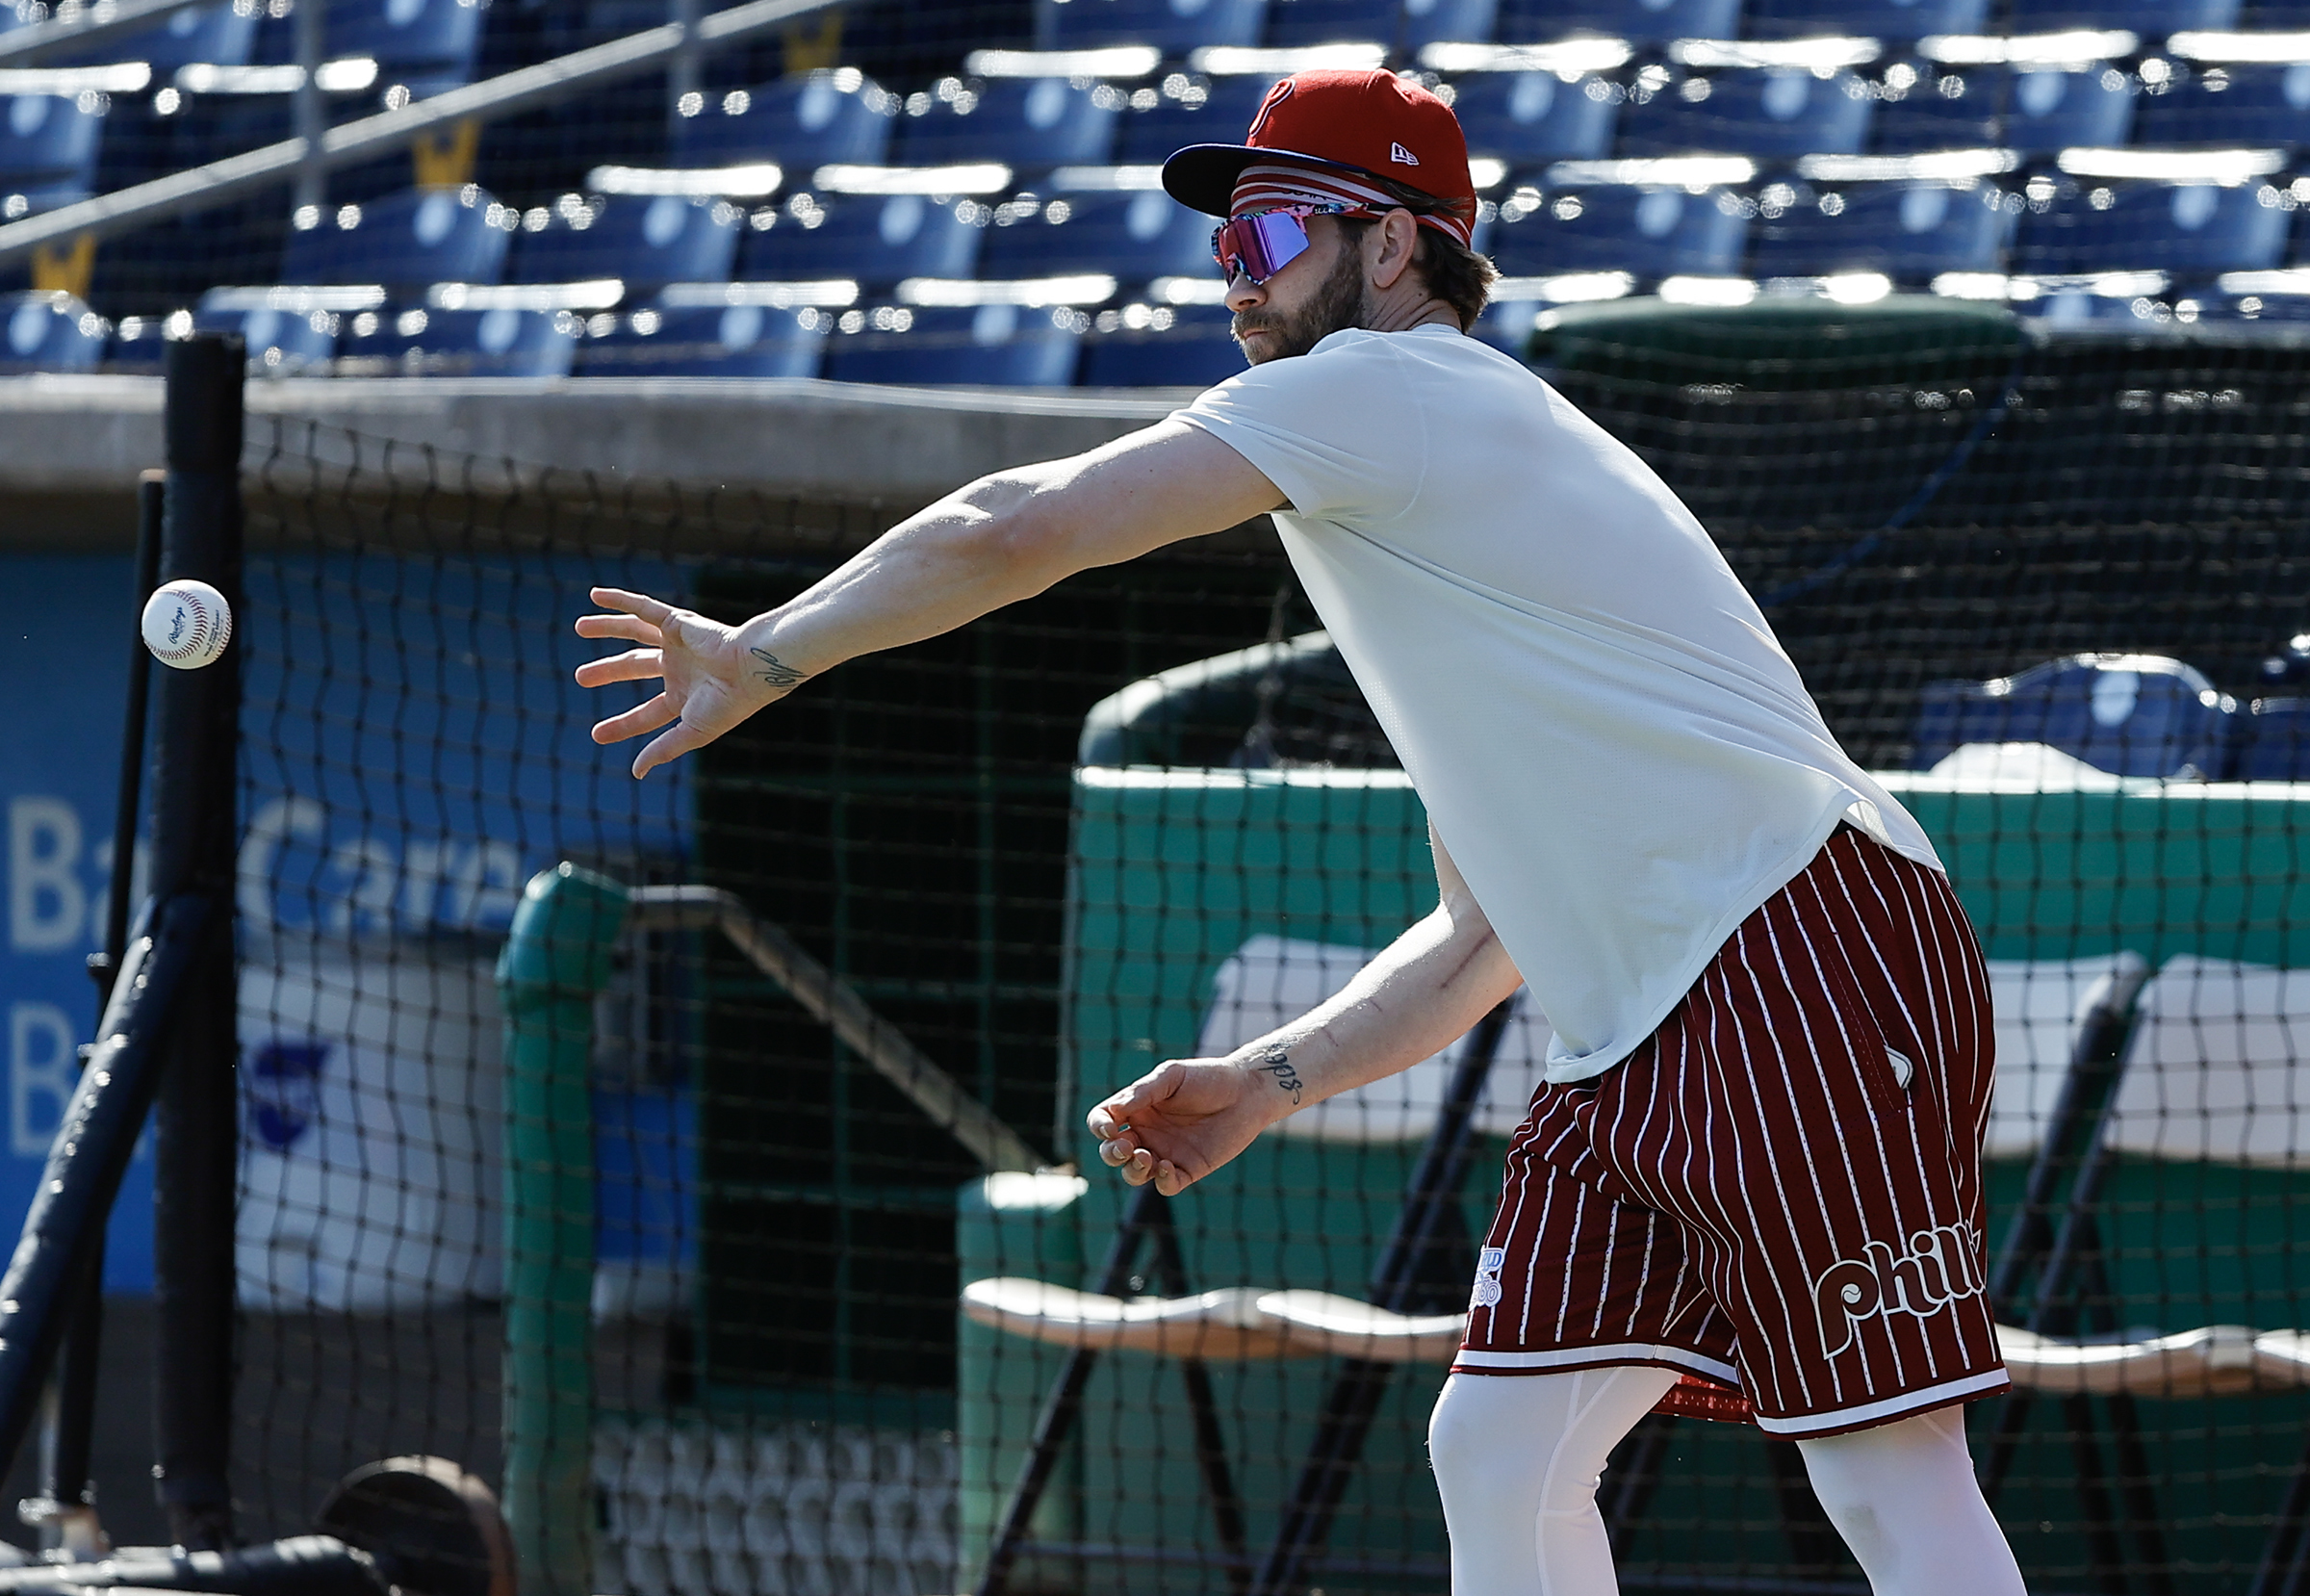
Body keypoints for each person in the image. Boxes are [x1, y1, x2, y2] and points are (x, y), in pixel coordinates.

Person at [575, 67, 2027, 1596]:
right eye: (1225, 244)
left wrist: (768, 650)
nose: (1235, 277)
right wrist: (1272, 1081)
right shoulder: (1421, 501)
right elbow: (1479, 940)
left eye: (1268, 235)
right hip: (1651, 1021)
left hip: (1805, 946)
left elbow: (1021, 524)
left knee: (1885, 1468)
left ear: (1392, 248)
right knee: (1499, 1449)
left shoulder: (1387, 392)